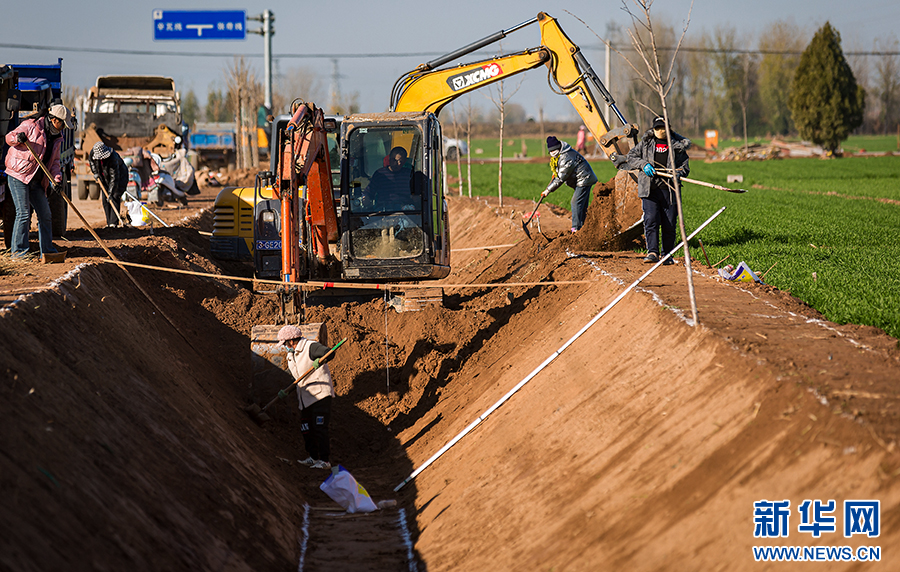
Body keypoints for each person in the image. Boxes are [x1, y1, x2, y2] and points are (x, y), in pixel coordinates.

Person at [3, 104, 73, 258]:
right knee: (23, 213)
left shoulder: (57, 138)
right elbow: (9, 137)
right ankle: (19, 253)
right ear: (55, 120)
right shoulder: (31, 126)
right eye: (62, 124)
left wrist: (57, 180)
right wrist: (17, 138)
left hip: (36, 181)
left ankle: (47, 251)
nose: (63, 128)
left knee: (45, 214)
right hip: (18, 175)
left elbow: (54, 163)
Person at [625, 116, 691, 265]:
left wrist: (678, 172)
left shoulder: (677, 146)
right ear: (653, 129)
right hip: (650, 190)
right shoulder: (646, 143)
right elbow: (631, 157)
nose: (660, 131)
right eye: (657, 128)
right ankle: (652, 252)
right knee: (651, 219)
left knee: (669, 223)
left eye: (663, 128)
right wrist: (643, 165)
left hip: (670, 190)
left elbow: (685, 167)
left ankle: (667, 255)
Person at [278, 325, 336, 470]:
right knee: (306, 429)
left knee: (319, 428)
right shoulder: (291, 355)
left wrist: (321, 361)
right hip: (305, 398)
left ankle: (325, 460)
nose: (285, 347)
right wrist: (287, 391)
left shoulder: (310, 347)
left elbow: (330, 353)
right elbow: (298, 378)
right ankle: (313, 457)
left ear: (291, 341)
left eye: (285, 343)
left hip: (320, 395)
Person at [541, 135, 598, 233]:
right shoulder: (561, 155)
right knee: (582, 205)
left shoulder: (566, 156)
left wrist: (548, 190)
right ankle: (583, 227)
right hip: (583, 179)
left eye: (553, 151)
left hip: (584, 179)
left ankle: (575, 228)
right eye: (550, 152)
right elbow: (560, 170)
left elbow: (561, 178)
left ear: (558, 148)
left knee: (575, 202)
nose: (552, 153)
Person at [88, 142, 129, 227]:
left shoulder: (112, 158)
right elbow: (92, 163)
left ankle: (113, 223)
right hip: (104, 179)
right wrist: (95, 173)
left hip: (120, 178)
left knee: (114, 197)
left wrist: (111, 192)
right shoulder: (93, 153)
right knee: (105, 200)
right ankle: (109, 223)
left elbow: (114, 178)